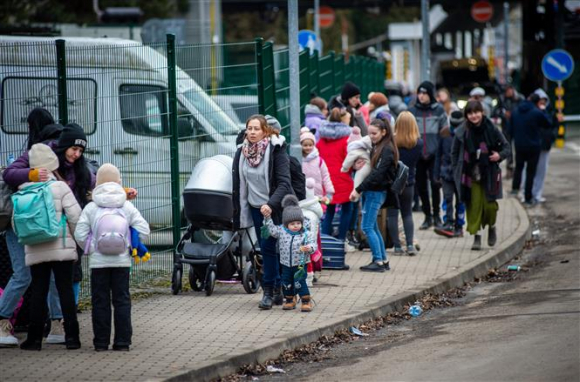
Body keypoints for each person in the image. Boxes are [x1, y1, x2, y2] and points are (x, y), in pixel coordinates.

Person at [0, 109, 65, 347]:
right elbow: (10, 174)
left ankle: (57, 323)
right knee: (24, 274)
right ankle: (2, 321)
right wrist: (33, 173)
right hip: (21, 224)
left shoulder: (68, 162)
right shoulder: (32, 157)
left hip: (45, 225)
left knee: (49, 276)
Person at [74, 164, 150, 351]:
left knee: (100, 301)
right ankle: (122, 342)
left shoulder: (91, 207)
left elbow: (80, 234)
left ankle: (100, 342)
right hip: (121, 261)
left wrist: (92, 248)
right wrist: (128, 245)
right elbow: (144, 230)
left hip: (98, 263)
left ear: (97, 182)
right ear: (119, 182)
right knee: (122, 300)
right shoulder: (126, 206)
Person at [16, 144, 82, 350]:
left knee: (38, 291)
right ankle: (72, 337)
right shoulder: (60, 187)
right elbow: (75, 217)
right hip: (61, 246)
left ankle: (34, 339)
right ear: (53, 165)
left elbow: (16, 224)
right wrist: (80, 245)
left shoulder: (23, 190)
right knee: (65, 291)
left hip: (36, 247)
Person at [232, 115, 292, 310]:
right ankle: (270, 290)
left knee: (279, 248)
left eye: (256, 129)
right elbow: (240, 182)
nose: (252, 132)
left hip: (276, 207)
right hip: (257, 208)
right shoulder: (242, 152)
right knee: (266, 249)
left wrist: (271, 204)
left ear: (265, 131)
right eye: (249, 128)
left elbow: (284, 183)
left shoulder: (276, 150)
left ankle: (280, 288)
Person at [451, 101, 510, 250]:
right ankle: (476, 236)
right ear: (466, 115)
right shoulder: (461, 132)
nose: (474, 116)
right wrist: (456, 170)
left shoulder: (492, 129)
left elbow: (507, 147)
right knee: (474, 206)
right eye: (470, 113)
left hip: (489, 173)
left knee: (490, 206)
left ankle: (492, 226)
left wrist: (499, 155)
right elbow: (454, 153)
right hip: (469, 176)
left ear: (482, 112)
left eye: (476, 112)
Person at [350, 118, 398, 272]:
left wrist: (358, 188)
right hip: (374, 191)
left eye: (374, 133)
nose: (371, 136)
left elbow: (377, 174)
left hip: (375, 192)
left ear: (384, 132)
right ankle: (383, 259)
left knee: (367, 227)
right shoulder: (380, 146)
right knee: (374, 227)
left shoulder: (387, 149)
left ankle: (377, 261)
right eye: (369, 133)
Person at [264, 195, 317, 312]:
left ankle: (305, 300)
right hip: (285, 263)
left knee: (299, 282)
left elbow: (314, 245)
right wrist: (268, 218)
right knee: (286, 282)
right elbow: (271, 230)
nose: (296, 226)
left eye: (298, 223)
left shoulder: (305, 234)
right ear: (286, 224)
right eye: (292, 224)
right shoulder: (281, 231)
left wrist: (309, 248)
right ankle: (289, 299)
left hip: (300, 264)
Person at [408, 81, 449, 229]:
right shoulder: (412, 111)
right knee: (421, 187)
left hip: (435, 155)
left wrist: (443, 153)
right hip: (418, 155)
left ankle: (437, 216)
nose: (421, 96)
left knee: (435, 184)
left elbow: (445, 133)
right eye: (419, 93)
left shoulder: (438, 110)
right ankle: (427, 216)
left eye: (424, 93)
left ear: (430, 94)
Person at [317, 108, 356, 251]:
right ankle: (341, 240)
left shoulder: (321, 139)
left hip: (326, 179)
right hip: (343, 178)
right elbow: (351, 159)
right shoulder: (346, 139)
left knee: (329, 210)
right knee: (347, 209)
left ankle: (325, 241)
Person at [388, 111, 423, 255]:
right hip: (409, 182)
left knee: (392, 214)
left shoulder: (392, 142)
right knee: (407, 214)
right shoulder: (418, 143)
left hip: (393, 183)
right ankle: (409, 245)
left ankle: (397, 246)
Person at [509, 93, 552, 206]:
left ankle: (515, 188)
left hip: (519, 145)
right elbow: (548, 123)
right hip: (533, 146)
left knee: (519, 167)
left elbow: (510, 129)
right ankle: (528, 198)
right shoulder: (537, 112)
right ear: (538, 102)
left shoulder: (516, 111)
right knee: (530, 172)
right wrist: (543, 110)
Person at [434, 110, 466, 238]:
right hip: (446, 173)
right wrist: (436, 173)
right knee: (447, 198)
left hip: (461, 174)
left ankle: (459, 226)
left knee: (460, 201)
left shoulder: (466, 134)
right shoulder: (444, 134)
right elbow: (438, 154)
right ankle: (448, 222)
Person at [530, 89, 558, 203]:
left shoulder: (549, 111)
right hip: (533, 145)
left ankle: (537, 194)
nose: (542, 103)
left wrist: (552, 137)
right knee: (531, 170)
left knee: (542, 170)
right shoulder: (532, 112)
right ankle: (528, 193)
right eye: (540, 100)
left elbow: (554, 125)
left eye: (544, 100)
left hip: (545, 145)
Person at [493, 84, 524, 178]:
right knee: (508, 148)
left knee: (519, 148)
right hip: (506, 127)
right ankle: (509, 169)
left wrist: (514, 114)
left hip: (518, 127)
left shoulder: (520, 98)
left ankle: (519, 170)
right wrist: (503, 113)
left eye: (510, 91)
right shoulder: (502, 99)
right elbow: (495, 111)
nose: (508, 93)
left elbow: (524, 110)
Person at [300, 127, 334, 204]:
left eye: (310, 145)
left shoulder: (319, 161)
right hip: (302, 195)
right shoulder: (298, 160)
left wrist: (329, 192)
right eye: (305, 145)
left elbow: (325, 176)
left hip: (317, 195)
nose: (308, 147)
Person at [300, 178, 324, 285]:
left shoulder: (297, 208)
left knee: (301, 259)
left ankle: (305, 278)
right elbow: (321, 213)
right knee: (309, 258)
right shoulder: (315, 206)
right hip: (312, 238)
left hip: (299, 239)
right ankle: (310, 277)